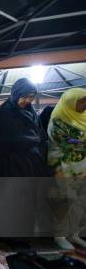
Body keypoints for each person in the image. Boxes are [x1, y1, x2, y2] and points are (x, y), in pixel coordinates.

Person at [47, 88, 86, 249]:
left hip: (81, 165)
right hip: (62, 166)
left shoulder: (83, 117)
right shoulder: (58, 119)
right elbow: (65, 143)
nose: (85, 105)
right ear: (71, 102)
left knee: (81, 201)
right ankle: (60, 235)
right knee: (65, 200)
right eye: (82, 101)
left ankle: (73, 233)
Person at [0, 78, 50, 177]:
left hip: (33, 159)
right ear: (16, 94)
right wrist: (33, 140)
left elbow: (39, 130)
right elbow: (4, 139)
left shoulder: (30, 111)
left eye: (31, 97)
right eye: (24, 97)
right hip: (13, 162)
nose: (28, 100)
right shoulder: (5, 112)